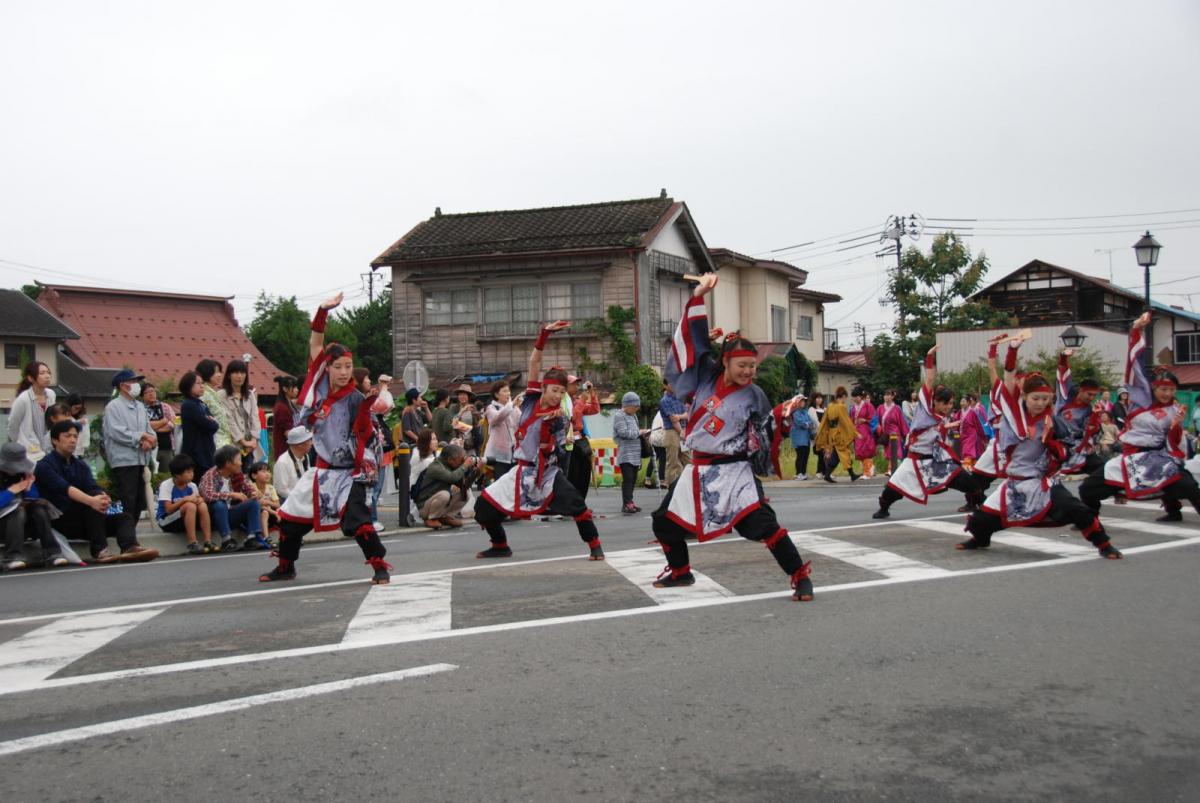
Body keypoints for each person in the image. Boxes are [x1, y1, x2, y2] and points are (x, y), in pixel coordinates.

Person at [648, 273, 813, 601]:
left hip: (735, 473)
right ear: (725, 362)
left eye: (753, 366)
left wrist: (782, 415)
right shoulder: (705, 376)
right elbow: (695, 342)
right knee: (664, 523)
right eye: (742, 365)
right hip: (698, 472)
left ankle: (799, 575)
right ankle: (681, 572)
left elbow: (764, 430)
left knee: (765, 526)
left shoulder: (754, 395)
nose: (748, 371)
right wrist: (698, 296)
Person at [261, 293, 391, 584]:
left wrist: (370, 408)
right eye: (338, 367)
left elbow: (365, 433)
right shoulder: (316, 391)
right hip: (321, 470)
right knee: (291, 519)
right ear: (328, 368)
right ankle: (285, 566)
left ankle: (380, 567)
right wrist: (322, 312)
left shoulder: (357, 398)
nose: (344, 372)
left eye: (348, 367)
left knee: (358, 521)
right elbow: (316, 344)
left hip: (350, 471)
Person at [958, 336, 1123, 559]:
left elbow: (1068, 451)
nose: (1041, 403)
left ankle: (1104, 545)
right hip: (1015, 484)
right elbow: (1007, 380)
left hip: (1042, 483)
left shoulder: (1053, 422)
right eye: (1036, 398)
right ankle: (980, 539)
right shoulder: (1014, 418)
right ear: (1024, 396)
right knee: (980, 521)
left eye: (1046, 399)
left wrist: (1053, 444)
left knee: (1078, 510)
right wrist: (1012, 350)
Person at [473, 320, 605, 561]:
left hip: (547, 473)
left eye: (563, 392)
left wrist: (554, 424)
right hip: (522, 471)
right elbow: (534, 362)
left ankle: (595, 545)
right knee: (482, 507)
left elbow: (554, 446)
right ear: (544, 389)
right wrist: (545, 334)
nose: (558, 395)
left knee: (577, 504)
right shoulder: (532, 399)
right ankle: (500, 545)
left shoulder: (560, 416)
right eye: (555, 390)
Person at [1079, 313, 1199, 522]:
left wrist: (1176, 426)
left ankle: (1173, 511)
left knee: (1187, 484)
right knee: (1088, 488)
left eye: (1170, 390)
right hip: (1132, 456)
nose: (1166, 394)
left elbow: (1176, 443)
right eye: (1162, 389)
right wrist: (1136, 331)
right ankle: (1089, 518)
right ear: (1153, 388)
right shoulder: (1140, 399)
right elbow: (1136, 365)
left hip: (1161, 458)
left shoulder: (1176, 410)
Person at [871, 346, 986, 519]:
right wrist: (929, 357)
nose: (948, 407)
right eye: (945, 403)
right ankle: (883, 508)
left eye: (950, 403)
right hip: (915, 460)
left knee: (966, 480)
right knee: (892, 488)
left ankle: (979, 503)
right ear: (934, 401)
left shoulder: (941, 417)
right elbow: (930, 380)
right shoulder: (925, 409)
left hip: (936, 461)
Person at [35, 420, 158, 563]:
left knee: (124, 517)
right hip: (61, 519)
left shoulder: (80, 465)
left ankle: (130, 548)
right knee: (92, 502)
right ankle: (100, 551)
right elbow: (65, 488)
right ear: (55, 440)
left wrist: (102, 496)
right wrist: (92, 500)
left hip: (89, 520)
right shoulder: (44, 466)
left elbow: (92, 486)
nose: (73, 440)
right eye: (67, 436)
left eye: (75, 436)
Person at [102, 369, 157, 538]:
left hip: (141, 459)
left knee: (139, 499)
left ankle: (129, 532)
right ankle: (126, 534)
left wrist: (151, 440)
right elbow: (116, 432)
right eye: (133, 381)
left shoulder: (140, 406)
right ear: (123, 386)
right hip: (124, 460)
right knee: (128, 498)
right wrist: (141, 437)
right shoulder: (113, 407)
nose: (137, 385)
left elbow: (149, 429)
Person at [1, 442, 66, 570]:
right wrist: (11, 491)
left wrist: (29, 486)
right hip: (5, 524)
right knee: (18, 511)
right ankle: (12, 556)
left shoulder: (22, 474)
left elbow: (33, 497)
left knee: (38, 508)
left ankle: (52, 553)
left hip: (23, 526)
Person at [199, 444, 267, 552]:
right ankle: (226, 540)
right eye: (239, 460)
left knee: (254, 503)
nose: (241, 463)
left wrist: (253, 493)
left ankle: (251, 538)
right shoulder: (211, 475)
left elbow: (247, 487)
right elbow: (208, 495)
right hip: (213, 517)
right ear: (228, 464)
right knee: (219, 504)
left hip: (230, 513)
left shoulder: (237, 474)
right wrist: (231, 494)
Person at [1054, 350, 1105, 478]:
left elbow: (1090, 431)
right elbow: (1063, 377)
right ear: (1081, 390)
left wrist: (1095, 417)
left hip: (1076, 446)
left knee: (1101, 469)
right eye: (1089, 394)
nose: (1091, 398)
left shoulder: (1090, 410)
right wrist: (1064, 358)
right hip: (1056, 441)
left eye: (1094, 395)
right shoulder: (1066, 396)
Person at [156, 453, 213, 555]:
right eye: (188, 472)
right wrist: (185, 499)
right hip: (167, 520)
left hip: (184, 519)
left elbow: (198, 500)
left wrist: (200, 500)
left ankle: (208, 541)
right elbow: (168, 510)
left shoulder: (192, 486)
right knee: (189, 506)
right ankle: (192, 543)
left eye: (192, 471)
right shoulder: (167, 485)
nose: (192, 474)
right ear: (177, 474)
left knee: (202, 505)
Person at [413, 442, 476, 528]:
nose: (463, 461)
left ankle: (446, 517)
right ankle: (431, 519)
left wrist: (476, 471)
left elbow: (464, 485)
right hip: (424, 507)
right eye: (461, 459)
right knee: (444, 495)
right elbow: (452, 478)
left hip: (437, 503)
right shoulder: (436, 467)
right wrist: (464, 466)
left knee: (465, 493)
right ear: (450, 460)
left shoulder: (451, 465)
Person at [7, 360, 55, 463]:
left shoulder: (51, 395)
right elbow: (12, 425)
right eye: (42, 373)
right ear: (30, 378)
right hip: (29, 454)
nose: (47, 376)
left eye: (48, 372)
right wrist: (20, 443)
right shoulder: (23, 399)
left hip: (48, 449)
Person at [220, 358, 263, 462]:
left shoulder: (250, 395)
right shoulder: (222, 395)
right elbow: (229, 421)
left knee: (250, 475)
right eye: (235, 372)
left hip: (251, 445)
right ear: (229, 375)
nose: (239, 376)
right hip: (233, 445)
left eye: (242, 373)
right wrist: (243, 442)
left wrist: (254, 440)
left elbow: (255, 418)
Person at [565, 376, 601, 498]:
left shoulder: (576, 401)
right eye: (573, 384)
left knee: (585, 473)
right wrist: (582, 400)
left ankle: (581, 503)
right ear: (565, 386)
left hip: (580, 440)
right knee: (573, 475)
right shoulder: (563, 402)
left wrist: (591, 393)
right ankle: (572, 504)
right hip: (569, 441)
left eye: (577, 384)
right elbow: (573, 417)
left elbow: (595, 409)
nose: (577, 386)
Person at [179, 370, 220, 475]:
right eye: (198, 383)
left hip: (206, 450)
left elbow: (215, 424)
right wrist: (211, 421)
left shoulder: (201, 404)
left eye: (202, 383)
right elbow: (209, 425)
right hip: (196, 454)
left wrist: (212, 422)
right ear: (188, 386)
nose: (202, 386)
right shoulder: (189, 405)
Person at [814, 387, 858, 482]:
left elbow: (824, 420)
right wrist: (855, 433)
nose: (845, 400)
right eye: (845, 398)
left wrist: (821, 433)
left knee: (839, 454)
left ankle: (850, 474)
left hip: (832, 433)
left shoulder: (830, 405)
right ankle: (830, 474)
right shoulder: (841, 407)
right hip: (839, 434)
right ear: (842, 396)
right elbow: (846, 421)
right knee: (843, 453)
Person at [613, 391, 645, 514]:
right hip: (626, 454)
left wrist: (642, 433)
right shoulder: (619, 415)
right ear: (627, 405)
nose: (636, 409)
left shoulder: (633, 416)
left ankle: (630, 502)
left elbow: (634, 432)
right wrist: (640, 432)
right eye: (635, 406)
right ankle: (627, 504)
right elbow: (623, 433)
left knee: (633, 480)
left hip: (635, 454)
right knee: (628, 479)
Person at [483, 380, 521, 482]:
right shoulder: (491, 408)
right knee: (500, 483)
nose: (508, 393)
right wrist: (512, 405)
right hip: (499, 455)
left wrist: (517, 407)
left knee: (513, 483)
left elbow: (521, 422)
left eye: (508, 391)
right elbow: (498, 417)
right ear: (496, 394)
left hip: (514, 453)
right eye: (504, 391)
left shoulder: (513, 407)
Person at [195, 359, 232, 450]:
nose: (220, 375)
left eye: (220, 372)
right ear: (207, 373)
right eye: (216, 372)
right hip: (214, 444)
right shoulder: (203, 395)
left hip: (224, 443)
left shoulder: (214, 394)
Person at [659, 379, 689, 486]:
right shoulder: (665, 400)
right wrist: (682, 433)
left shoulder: (680, 397)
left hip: (683, 431)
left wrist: (680, 417)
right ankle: (672, 488)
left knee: (687, 459)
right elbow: (673, 420)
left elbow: (688, 413)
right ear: (665, 386)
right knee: (673, 462)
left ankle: (687, 485)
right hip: (672, 432)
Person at [141, 383, 175, 471]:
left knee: (166, 475)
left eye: (152, 391)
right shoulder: (140, 409)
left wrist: (153, 427)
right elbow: (143, 426)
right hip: (148, 448)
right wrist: (163, 421)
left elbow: (171, 425)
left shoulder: (165, 407)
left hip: (166, 447)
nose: (151, 394)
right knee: (149, 474)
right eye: (147, 392)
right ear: (142, 396)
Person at [407, 428, 438, 526]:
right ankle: (417, 514)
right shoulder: (417, 456)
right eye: (433, 439)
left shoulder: (432, 456)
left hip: (425, 489)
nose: (436, 441)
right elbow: (428, 464)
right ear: (426, 442)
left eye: (436, 439)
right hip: (416, 491)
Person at [273, 425, 313, 501]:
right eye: (309, 440)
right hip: (288, 502)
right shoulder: (283, 462)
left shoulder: (305, 456)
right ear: (300, 445)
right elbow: (281, 490)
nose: (312, 443)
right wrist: (300, 499)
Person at [876, 389, 909, 476]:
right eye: (885, 395)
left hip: (895, 433)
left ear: (892, 397)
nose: (886, 397)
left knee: (895, 451)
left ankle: (891, 469)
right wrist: (878, 429)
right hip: (885, 433)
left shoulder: (897, 408)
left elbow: (902, 421)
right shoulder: (880, 408)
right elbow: (877, 420)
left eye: (888, 395)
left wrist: (906, 434)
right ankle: (894, 469)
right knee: (888, 452)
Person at [246, 461, 281, 544]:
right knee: (264, 512)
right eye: (264, 471)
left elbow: (277, 504)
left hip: (271, 513)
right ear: (254, 476)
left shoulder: (271, 488)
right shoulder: (251, 487)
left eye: (269, 471)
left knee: (284, 514)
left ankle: (287, 537)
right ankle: (266, 537)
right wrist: (273, 511)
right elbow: (258, 505)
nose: (268, 474)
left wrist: (267, 502)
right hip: (256, 513)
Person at [789, 395, 818, 479]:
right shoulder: (795, 413)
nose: (803, 402)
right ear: (797, 403)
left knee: (806, 455)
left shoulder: (805, 412)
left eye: (804, 401)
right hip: (798, 438)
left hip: (806, 438)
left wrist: (808, 424)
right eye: (801, 401)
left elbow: (811, 422)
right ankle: (798, 473)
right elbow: (801, 423)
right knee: (800, 455)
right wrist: (808, 424)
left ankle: (804, 472)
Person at [271, 375, 300, 460]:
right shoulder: (282, 408)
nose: (297, 390)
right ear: (285, 389)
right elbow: (288, 433)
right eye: (294, 387)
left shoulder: (289, 405)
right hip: (285, 450)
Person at [851, 389, 877, 478]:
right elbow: (851, 419)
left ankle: (867, 472)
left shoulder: (867, 405)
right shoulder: (853, 407)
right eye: (854, 397)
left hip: (866, 430)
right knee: (859, 452)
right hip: (856, 431)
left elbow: (873, 418)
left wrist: (865, 420)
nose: (855, 399)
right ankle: (868, 469)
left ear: (861, 396)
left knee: (866, 451)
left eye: (857, 397)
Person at [958, 393, 988, 470]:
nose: (962, 403)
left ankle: (966, 469)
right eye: (961, 401)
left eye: (964, 401)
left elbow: (978, 424)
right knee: (971, 453)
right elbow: (956, 420)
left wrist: (983, 435)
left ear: (968, 403)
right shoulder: (960, 412)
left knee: (968, 452)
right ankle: (975, 469)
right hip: (963, 436)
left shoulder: (973, 411)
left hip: (971, 436)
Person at [452, 384, 479, 454]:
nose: (462, 397)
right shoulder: (454, 408)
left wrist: (476, 415)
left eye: (464, 395)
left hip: (470, 443)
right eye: (460, 395)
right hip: (457, 444)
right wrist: (462, 411)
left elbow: (477, 425)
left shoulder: (473, 408)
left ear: (468, 397)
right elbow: (453, 424)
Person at [65, 393, 92, 458]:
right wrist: (77, 423)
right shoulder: (62, 415)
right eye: (76, 408)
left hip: (78, 450)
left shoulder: (81, 417)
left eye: (79, 408)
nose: (77, 410)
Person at [811, 393, 827, 477]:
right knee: (821, 453)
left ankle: (820, 471)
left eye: (821, 398)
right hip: (817, 434)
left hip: (825, 434)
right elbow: (815, 422)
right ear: (814, 399)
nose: (819, 400)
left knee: (824, 453)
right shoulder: (812, 409)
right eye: (817, 398)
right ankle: (823, 472)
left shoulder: (824, 409)